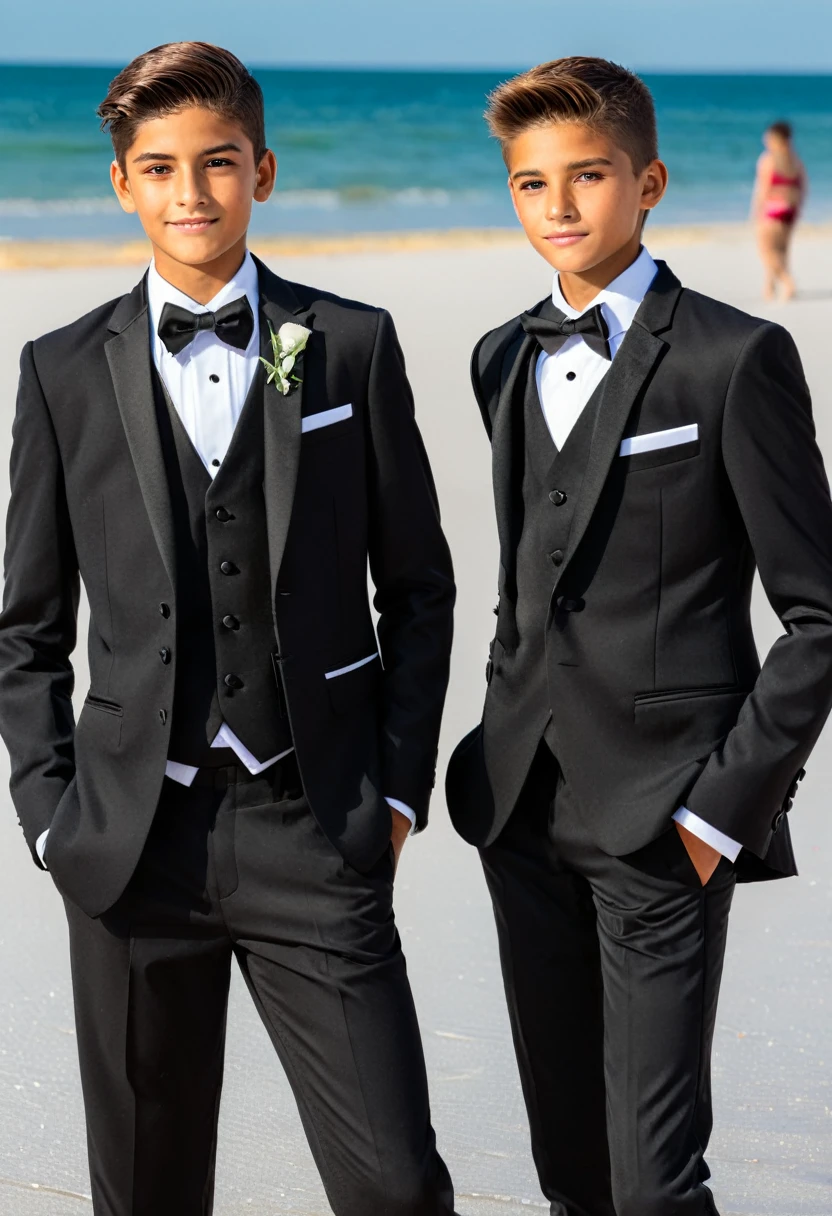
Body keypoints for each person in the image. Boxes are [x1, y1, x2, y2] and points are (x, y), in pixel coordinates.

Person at [0, 41, 458, 1216]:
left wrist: (397, 791)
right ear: (122, 187)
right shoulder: (57, 371)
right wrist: (52, 817)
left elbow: (418, 586)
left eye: (215, 164)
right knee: (147, 1192)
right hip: (128, 841)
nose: (190, 194)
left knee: (396, 1186)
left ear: (260, 169)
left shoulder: (348, 342)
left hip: (315, 821)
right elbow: (27, 628)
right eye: (159, 169)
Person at [446, 56, 832, 1216]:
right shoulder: (500, 356)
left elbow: (817, 614)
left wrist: (722, 811)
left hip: (669, 820)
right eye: (528, 184)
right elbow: (531, 583)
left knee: (653, 1180)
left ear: (648, 180)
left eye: (587, 176)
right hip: (523, 809)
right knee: (568, 1167)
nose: (557, 206)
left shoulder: (732, 357)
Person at [752, 120, 806, 301]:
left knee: (766, 250)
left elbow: (763, 189)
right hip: (790, 210)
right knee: (781, 250)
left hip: (772, 209)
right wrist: (797, 209)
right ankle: (769, 288)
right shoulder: (794, 161)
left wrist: (756, 212)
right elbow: (803, 187)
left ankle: (788, 282)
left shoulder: (768, 159)